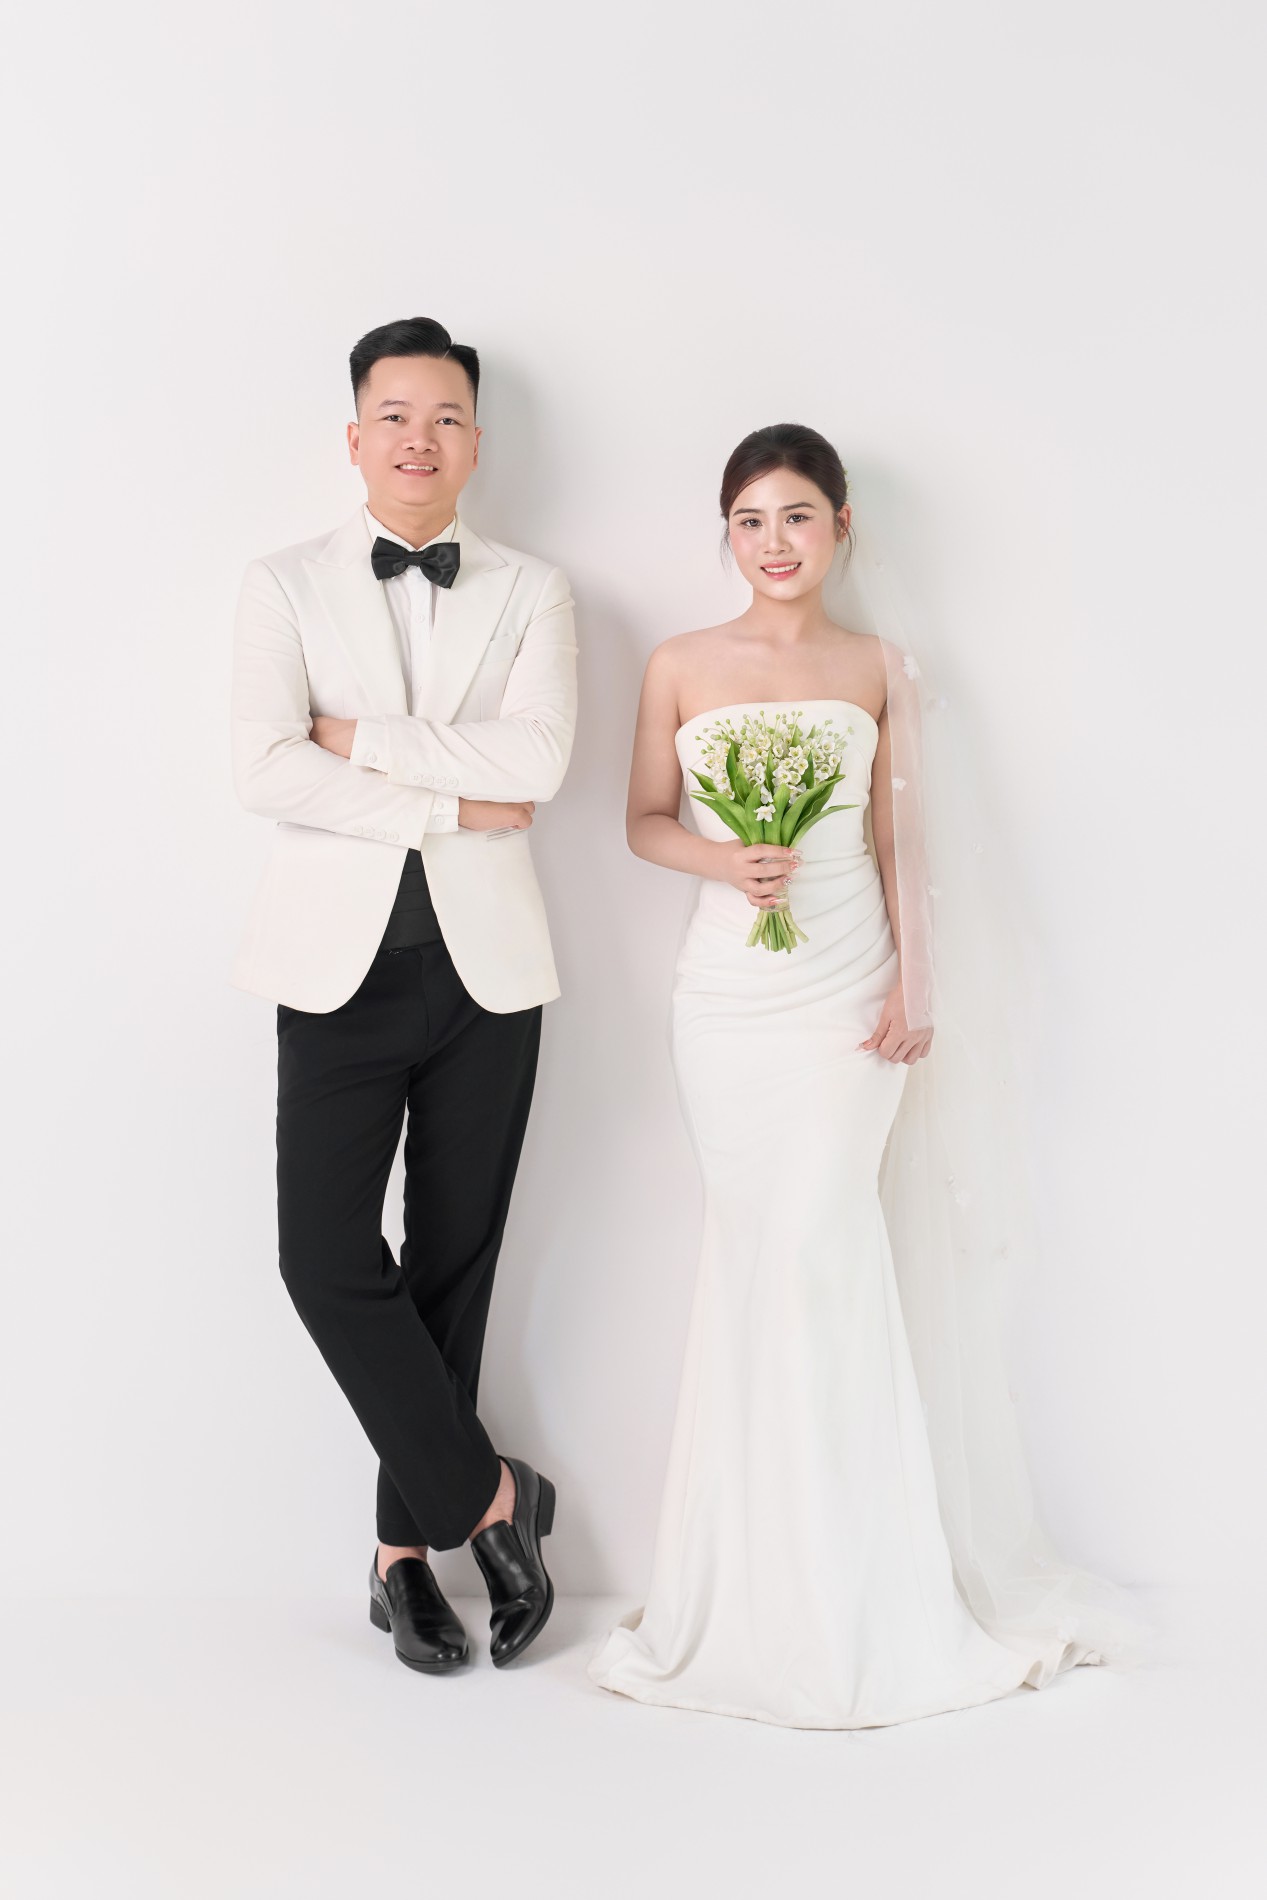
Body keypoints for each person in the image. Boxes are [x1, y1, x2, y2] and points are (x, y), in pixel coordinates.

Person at [588, 423, 1140, 1728]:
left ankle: (861, 1594)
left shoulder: (880, 666)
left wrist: (917, 985)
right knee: (756, 1259)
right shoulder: (679, 662)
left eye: (797, 516)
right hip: (727, 1004)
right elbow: (643, 820)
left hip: (847, 997)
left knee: (822, 1251)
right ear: (726, 535)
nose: (773, 543)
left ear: (843, 526)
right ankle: (744, 1592)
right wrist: (728, 860)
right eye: (749, 521)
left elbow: (905, 840)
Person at [231, 316, 575, 1673]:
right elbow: (264, 768)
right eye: (395, 415)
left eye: (444, 418)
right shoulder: (282, 584)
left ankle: (400, 1562)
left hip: (492, 973)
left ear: (475, 441)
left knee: (450, 1265)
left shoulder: (535, 590)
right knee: (324, 1258)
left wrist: (360, 742)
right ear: (356, 436)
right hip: (335, 971)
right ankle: (494, 1501)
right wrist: (448, 801)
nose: (418, 439)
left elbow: (537, 763)